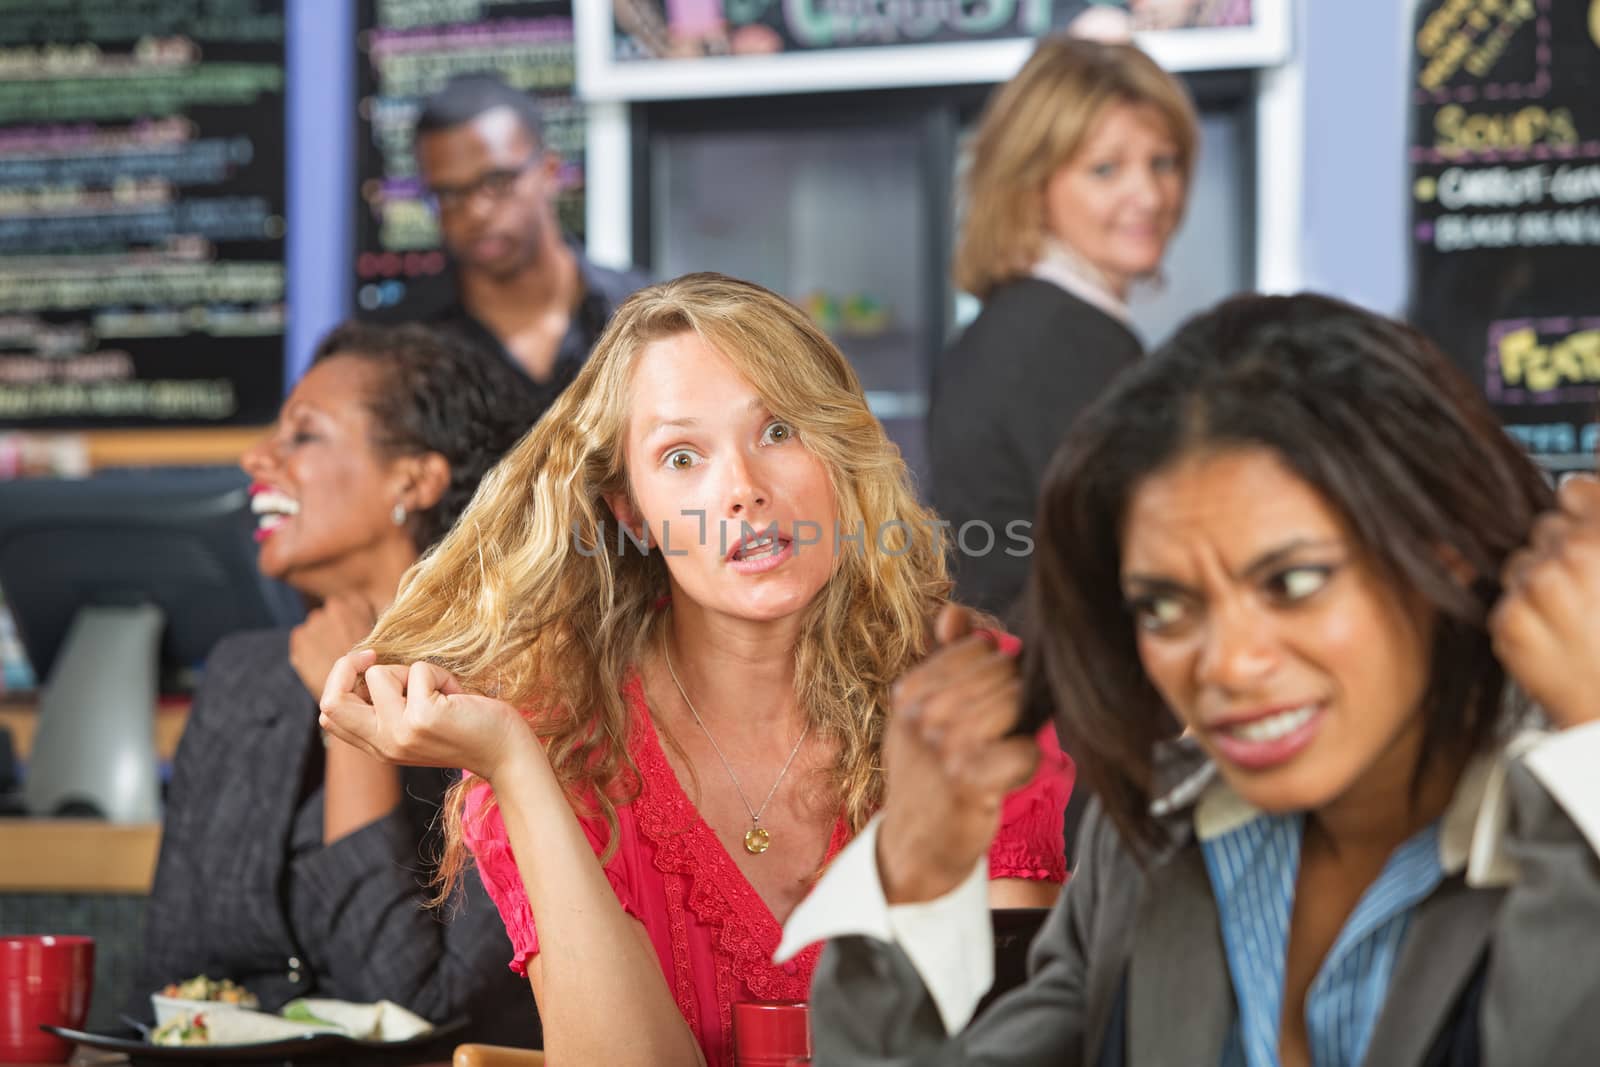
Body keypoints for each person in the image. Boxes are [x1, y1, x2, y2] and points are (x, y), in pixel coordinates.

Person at [791, 293, 1600, 1065]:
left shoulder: (1563, 819)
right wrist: (919, 866)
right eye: (1166, 606)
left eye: (1291, 583)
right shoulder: (1146, 845)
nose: (1225, 664)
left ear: (1441, 553)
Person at [317, 273, 1073, 1067]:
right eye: (682, 456)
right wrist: (514, 761)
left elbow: (1010, 1047)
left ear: (838, 452)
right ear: (632, 513)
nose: (743, 490)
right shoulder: (555, 743)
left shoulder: (975, 693)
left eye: (778, 431)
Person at [136, 323, 541, 1048]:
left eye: (304, 435)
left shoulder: (518, 685)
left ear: (413, 480)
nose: (255, 457)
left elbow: (418, 1011)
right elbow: (168, 987)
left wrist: (347, 703)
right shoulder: (242, 676)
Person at [928, 35, 1197, 623]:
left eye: (1164, 162)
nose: (1149, 194)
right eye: (1106, 169)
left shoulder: (1018, 326)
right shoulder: (1068, 342)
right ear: (1031, 184)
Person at [401, 73, 647, 417]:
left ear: (549, 171)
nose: (476, 210)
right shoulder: (398, 347)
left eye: (497, 181)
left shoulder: (646, 317)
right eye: (449, 193)